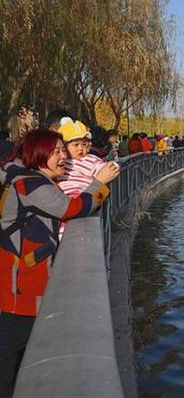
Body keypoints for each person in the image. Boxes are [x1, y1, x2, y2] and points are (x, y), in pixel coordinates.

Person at [0, 130, 119, 396]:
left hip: (23, 281)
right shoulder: (30, 184)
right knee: (11, 359)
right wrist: (99, 183)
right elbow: (71, 208)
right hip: (19, 287)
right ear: (37, 154)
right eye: (56, 151)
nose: (63, 156)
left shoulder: (28, 178)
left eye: (62, 150)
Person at [56, 118, 108, 238]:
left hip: (83, 198)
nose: (80, 148)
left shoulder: (89, 159)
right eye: (75, 145)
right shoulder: (61, 162)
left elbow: (103, 169)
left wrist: (112, 167)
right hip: (65, 201)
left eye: (83, 144)